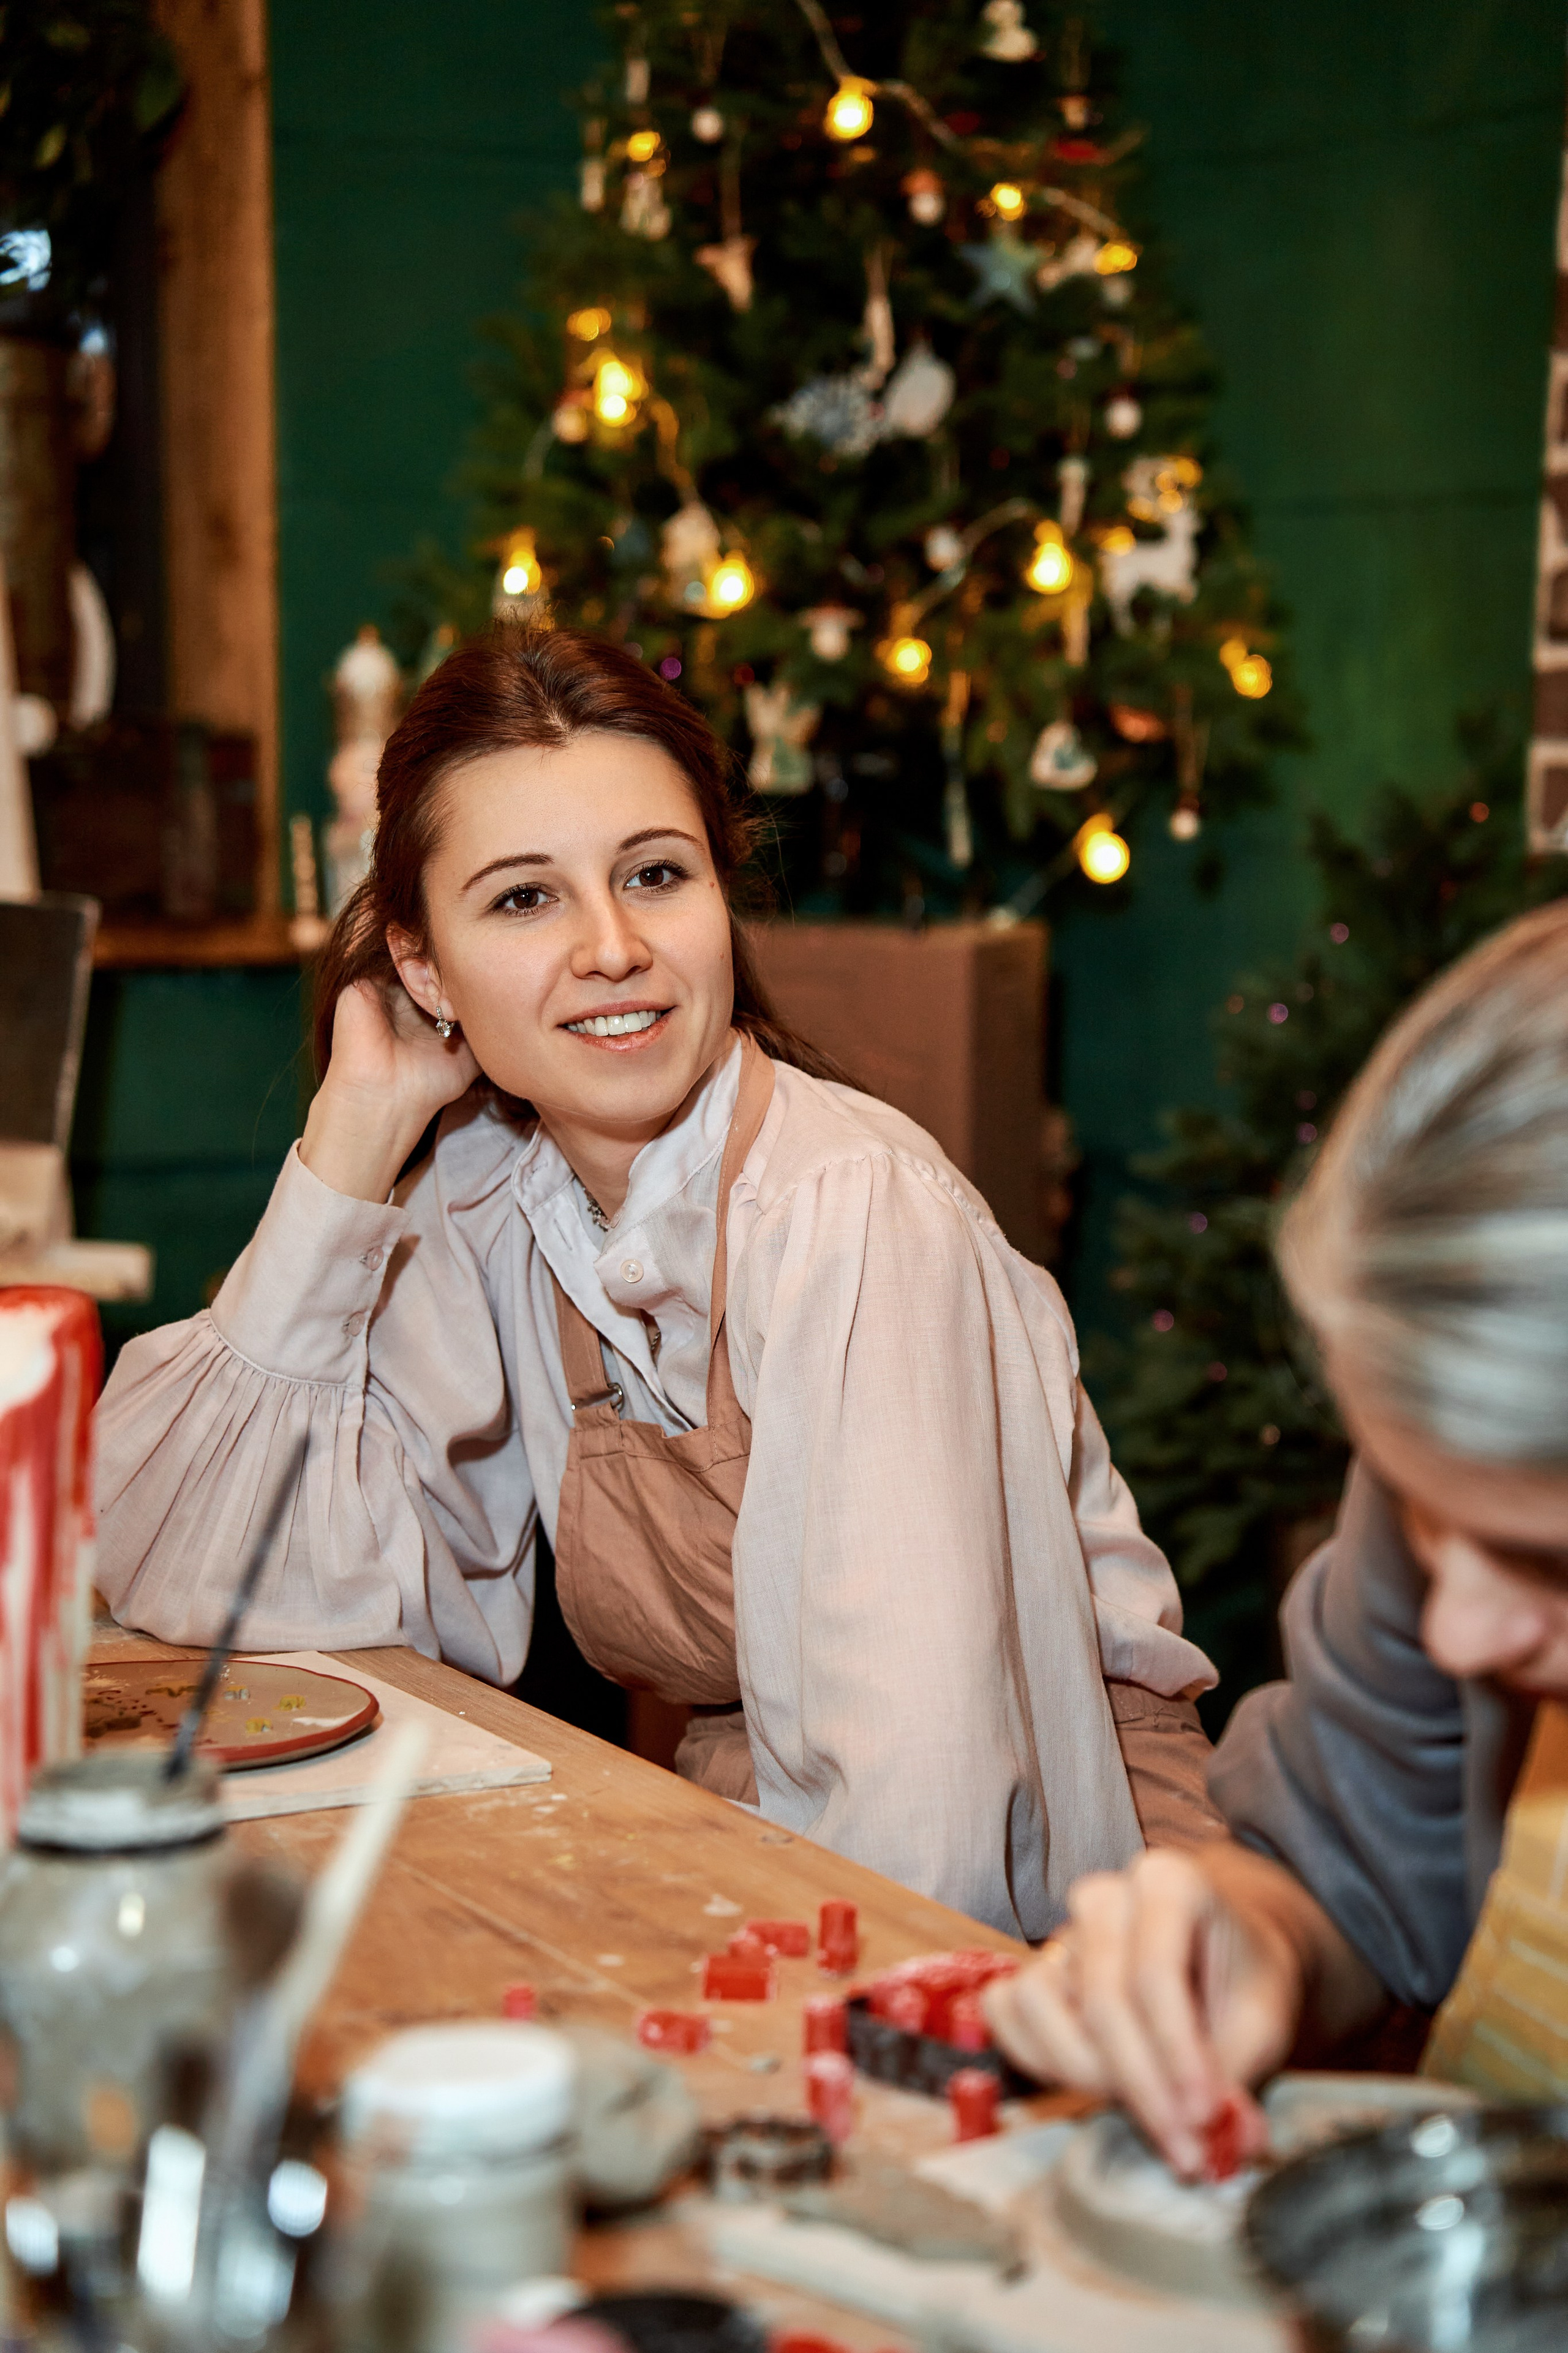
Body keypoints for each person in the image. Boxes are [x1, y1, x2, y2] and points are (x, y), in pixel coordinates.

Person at [96, 627, 1218, 1940]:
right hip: (760, 1850)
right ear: (419, 966)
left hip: (1068, 1914)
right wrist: (352, 1137)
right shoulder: (489, 1192)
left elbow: (930, 1810)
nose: (614, 945)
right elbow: (196, 1575)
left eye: (654, 874)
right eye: (525, 897)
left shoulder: (844, 1212)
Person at [984, 900, 1568, 2163]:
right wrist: (1249, 1934)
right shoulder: (1469, 1494)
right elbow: (1355, 1879)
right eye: (1416, 1506)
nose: (1454, 1623)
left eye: (1544, 1559)